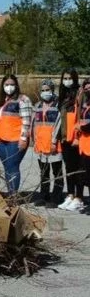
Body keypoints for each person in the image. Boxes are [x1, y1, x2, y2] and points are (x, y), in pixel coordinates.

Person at [0, 74, 32, 197]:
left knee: (13, 166)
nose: (9, 87)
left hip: (16, 140)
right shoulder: (0, 101)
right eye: (6, 84)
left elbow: (26, 121)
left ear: (16, 85)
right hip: (1, 141)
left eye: (11, 84)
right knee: (7, 168)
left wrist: (24, 139)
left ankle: (13, 195)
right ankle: (10, 192)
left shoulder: (23, 99)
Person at [31, 79, 63, 208]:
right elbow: (34, 124)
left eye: (47, 90)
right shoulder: (38, 105)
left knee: (57, 172)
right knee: (44, 172)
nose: (45, 92)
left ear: (52, 90)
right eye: (43, 90)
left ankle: (56, 197)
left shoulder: (58, 105)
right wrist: (34, 139)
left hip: (53, 144)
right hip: (41, 145)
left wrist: (54, 140)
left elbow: (59, 124)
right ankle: (44, 196)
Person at [58, 68, 82, 209]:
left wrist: (77, 136)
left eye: (69, 78)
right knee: (69, 167)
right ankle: (70, 195)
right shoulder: (63, 96)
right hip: (65, 137)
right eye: (65, 78)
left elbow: (79, 116)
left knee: (78, 168)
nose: (67, 81)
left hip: (76, 138)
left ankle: (79, 197)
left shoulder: (79, 94)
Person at [65, 78, 90, 212]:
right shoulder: (84, 104)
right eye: (86, 88)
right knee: (85, 175)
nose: (88, 91)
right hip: (84, 145)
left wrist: (83, 128)